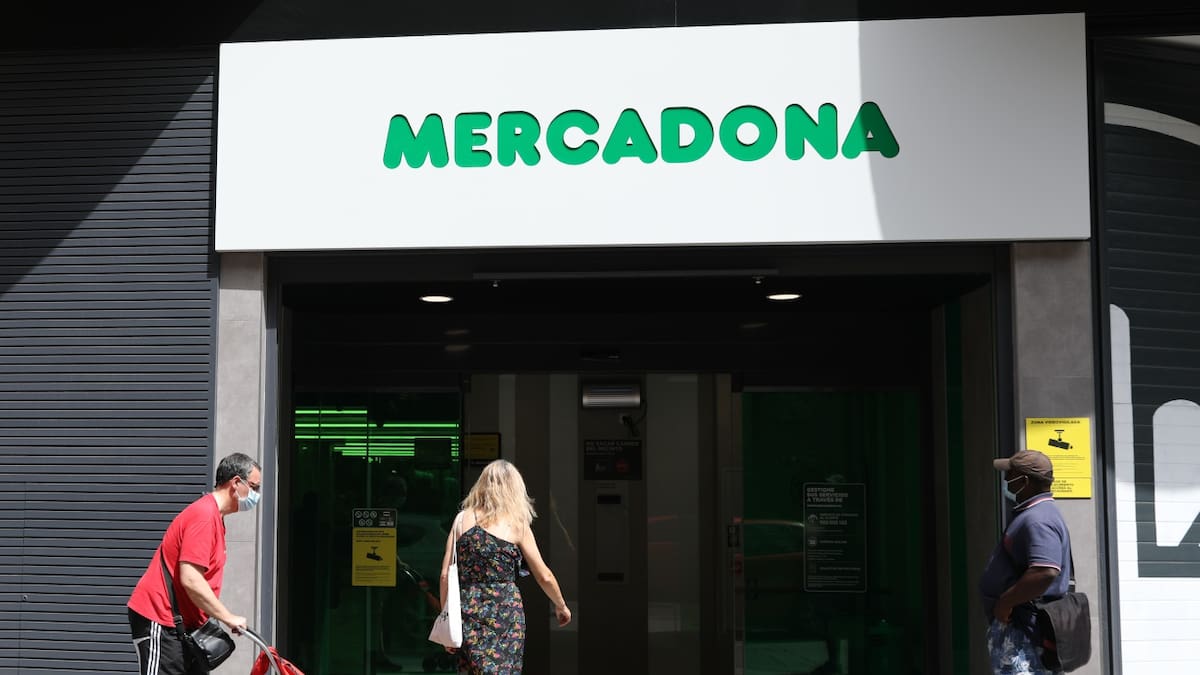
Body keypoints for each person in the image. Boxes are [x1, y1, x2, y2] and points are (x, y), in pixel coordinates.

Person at [127, 453, 263, 675]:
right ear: (236, 482)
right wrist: (227, 617)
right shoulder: (204, 515)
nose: (256, 495)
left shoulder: (215, 518)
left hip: (184, 627)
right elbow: (190, 579)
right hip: (160, 620)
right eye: (254, 487)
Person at [438, 459, 571, 673]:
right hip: (505, 612)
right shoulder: (516, 524)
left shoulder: (461, 520)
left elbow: (445, 575)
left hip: (467, 608)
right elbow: (543, 575)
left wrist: (448, 623)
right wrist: (561, 605)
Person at [979, 450, 1071, 675]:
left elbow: (1045, 571)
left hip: (1024, 633)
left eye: (1010, 474)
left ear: (1025, 481)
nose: (1006, 479)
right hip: (1022, 628)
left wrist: (1005, 603)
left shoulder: (1038, 519)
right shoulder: (1037, 513)